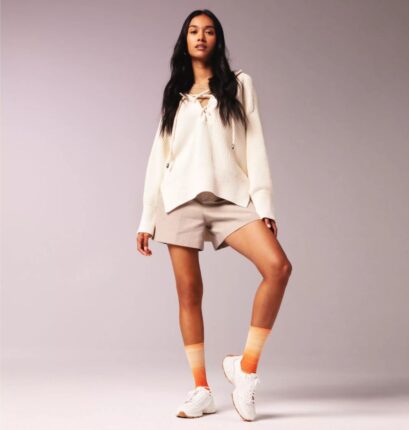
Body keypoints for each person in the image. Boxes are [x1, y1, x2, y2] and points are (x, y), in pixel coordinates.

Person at [136, 9, 292, 422]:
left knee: (278, 267)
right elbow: (159, 156)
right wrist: (146, 218)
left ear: (218, 40)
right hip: (179, 201)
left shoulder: (239, 85)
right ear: (185, 40)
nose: (200, 36)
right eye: (193, 31)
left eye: (208, 31)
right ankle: (201, 389)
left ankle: (246, 368)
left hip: (230, 198)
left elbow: (255, 144)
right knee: (189, 293)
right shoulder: (175, 93)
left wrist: (264, 204)